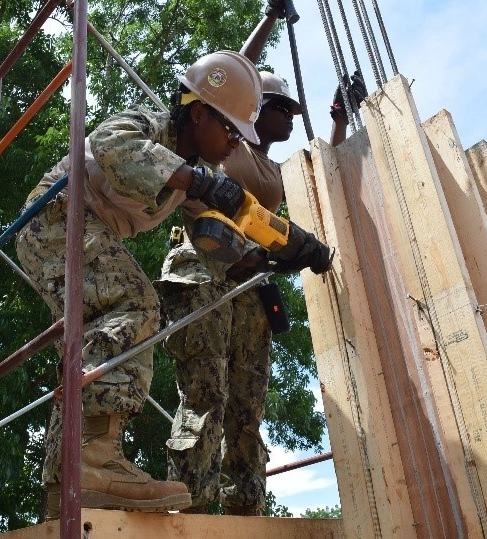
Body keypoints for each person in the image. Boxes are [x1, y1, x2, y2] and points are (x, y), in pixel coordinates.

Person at [15, 50, 265, 519]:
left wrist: (271, 256)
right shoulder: (148, 126)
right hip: (54, 215)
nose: (235, 144)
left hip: (70, 229)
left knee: (93, 336)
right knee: (135, 303)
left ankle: (65, 474)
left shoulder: (187, 179)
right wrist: (198, 180)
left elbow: (215, 234)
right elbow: (111, 144)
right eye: (230, 129)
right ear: (197, 114)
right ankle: (94, 458)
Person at [155, 2, 330, 516]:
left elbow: (277, 222)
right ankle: (188, 509)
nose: (290, 118)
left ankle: (244, 511)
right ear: (255, 109)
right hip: (204, 266)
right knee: (206, 393)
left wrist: (341, 123)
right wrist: (271, 17)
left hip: (249, 284)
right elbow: (228, 78)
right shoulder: (227, 144)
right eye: (283, 108)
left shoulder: (273, 172)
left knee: (247, 408)